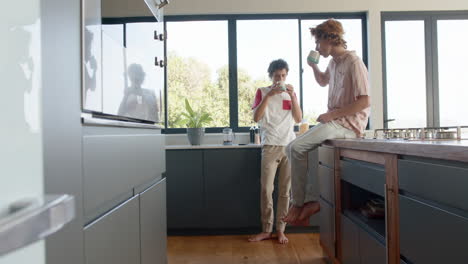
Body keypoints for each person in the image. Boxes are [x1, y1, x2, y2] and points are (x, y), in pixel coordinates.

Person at [283, 19, 371, 224]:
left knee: (294, 148)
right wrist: (313, 66)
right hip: (336, 122)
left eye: (317, 42)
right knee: (306, 150)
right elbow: (323, 81)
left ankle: (298, 203)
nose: (316, 47)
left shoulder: (354, 62)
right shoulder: (334, 62)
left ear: (329, 38)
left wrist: (332, 115)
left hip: (347, 125)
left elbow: (365, 101)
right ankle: (312, 201)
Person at [248, 59, 302, 244]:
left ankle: (281, 230)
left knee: (285, 192)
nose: (281, 79)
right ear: (271, 76)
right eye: (277, 76)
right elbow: (256, 117)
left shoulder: (291, 94)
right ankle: (266, 230)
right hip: (270, 146)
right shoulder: (262, 92)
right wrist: (269, 95)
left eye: (284, 75)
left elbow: (298, 118)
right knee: (266, 190)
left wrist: (293, 97)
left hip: (288, 146)